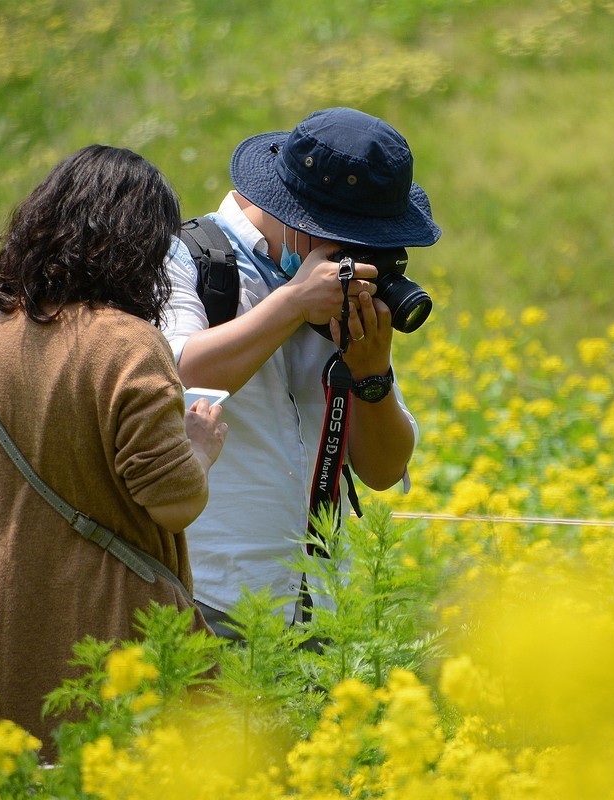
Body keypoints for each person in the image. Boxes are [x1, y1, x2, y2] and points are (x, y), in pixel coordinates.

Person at [0, 145, 227, 755]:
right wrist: (201, 447)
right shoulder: (128, 347)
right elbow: (173, 504)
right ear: (142, 250)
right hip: (116, 676)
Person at [160, 107, 441, 635]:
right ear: (294, 213)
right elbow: (182, 374)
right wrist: (291, 304)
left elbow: (382, 472)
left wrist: (372, 376)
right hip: (209, 601)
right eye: (348, 235)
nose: (362, 252)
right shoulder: (187, 258)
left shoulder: (344, 287)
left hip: (321, 608)